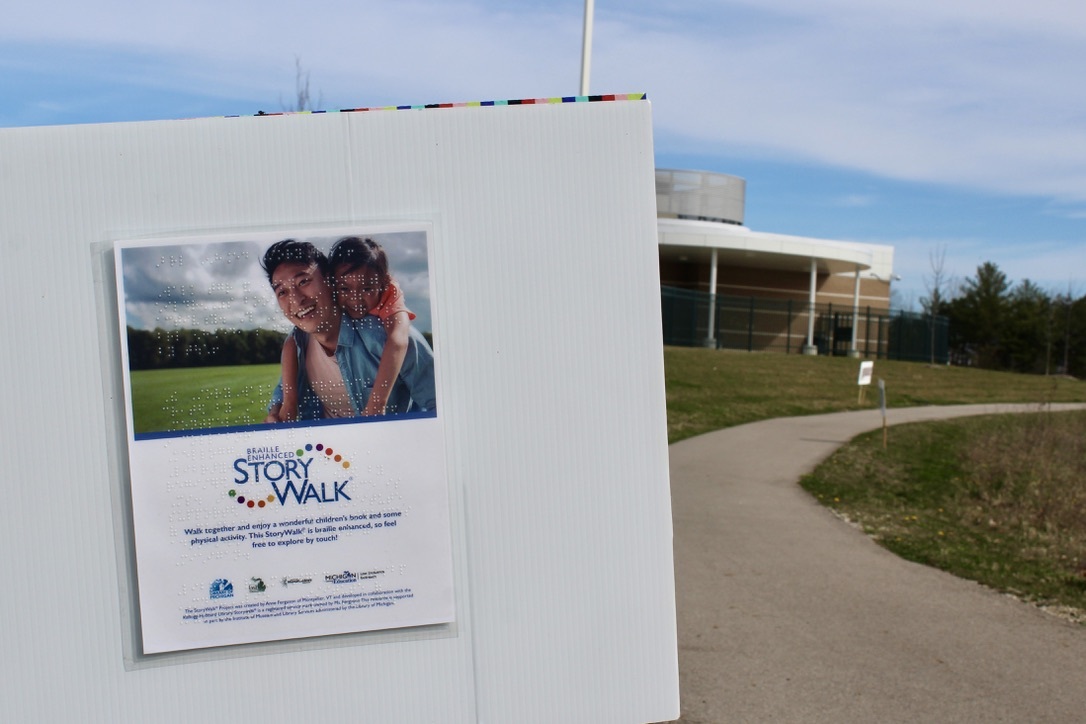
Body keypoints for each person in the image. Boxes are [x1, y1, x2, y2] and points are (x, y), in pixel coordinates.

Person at [260, 239, 435, 422]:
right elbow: (285, 388)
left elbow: (440, 404)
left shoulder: (387, 337)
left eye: (303, 281)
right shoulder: (296, 345)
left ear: (330, 281)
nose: (296, 300)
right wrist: (275, 413)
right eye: (282, 292)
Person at [328, 236, 416, 417]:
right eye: (344, 289)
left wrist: (377, 403)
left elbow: (398, 341)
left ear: (382, 284)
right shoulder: (328, 296)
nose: (355, 298)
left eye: (367, 289)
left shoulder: (391, 295)